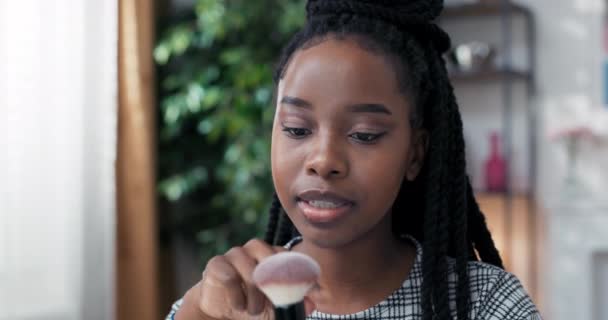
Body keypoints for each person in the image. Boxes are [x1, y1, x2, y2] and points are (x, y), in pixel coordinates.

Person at [167, 0, 541, 319]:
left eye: (364, 135)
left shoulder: (486, 304)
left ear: (415, 154)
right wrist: (196, 311)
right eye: (297, 129)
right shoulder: (232, 303)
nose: (323, 160)